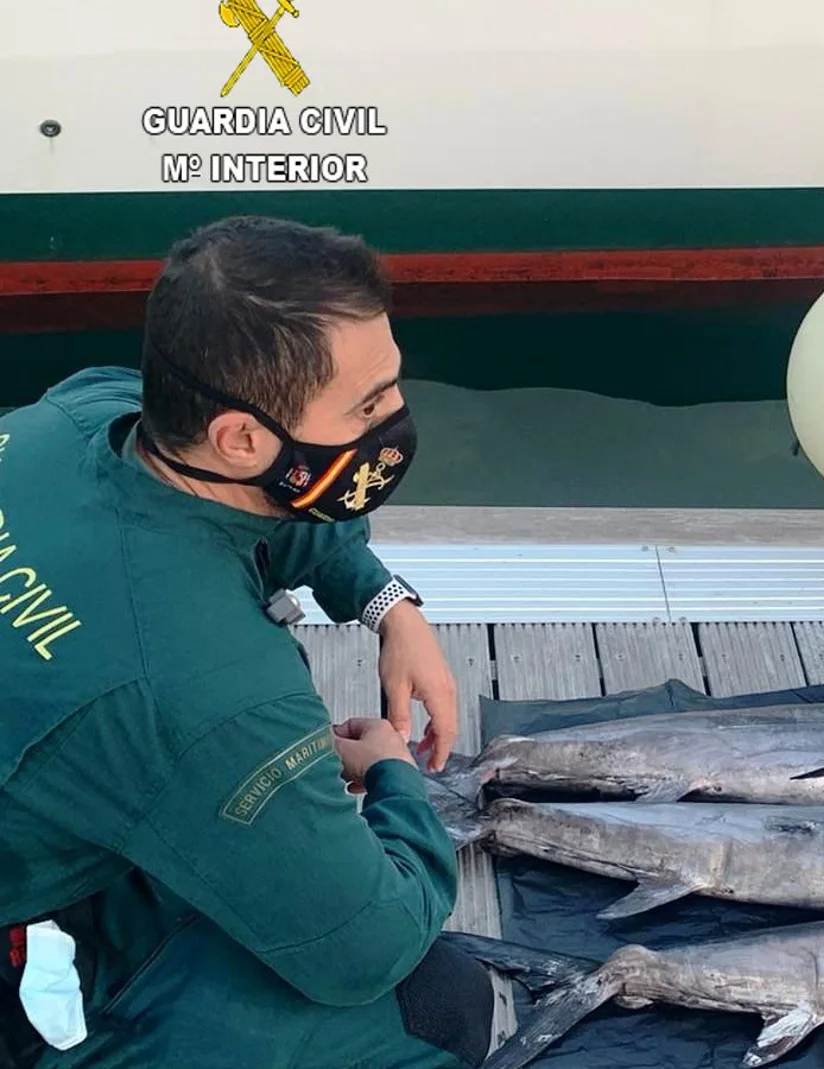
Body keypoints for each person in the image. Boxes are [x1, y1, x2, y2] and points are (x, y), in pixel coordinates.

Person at [0, 216, 495, 1068]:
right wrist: (394, 777)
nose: (398, 419)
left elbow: (259, 514)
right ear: (241, 437)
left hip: (57, 782)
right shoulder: (212, 696)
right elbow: (363, 944)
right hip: (40, 951)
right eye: (369, 404)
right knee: (437, 1002)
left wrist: (385, 604)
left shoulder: (86, 415)